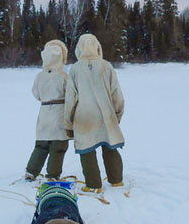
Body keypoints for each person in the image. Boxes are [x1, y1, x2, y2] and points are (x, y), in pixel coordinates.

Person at [64, 33, 125, 192]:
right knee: (110, 145)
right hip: (106, 115)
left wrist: (68, 121)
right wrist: (117, 115)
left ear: (79, 48)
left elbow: (71, 97)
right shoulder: (106, 66)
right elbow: (116, 93)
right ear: (97, 46)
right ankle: (116, 180)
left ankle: (93, 185)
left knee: (87, 150)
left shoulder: (75, 69)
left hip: (84, 117)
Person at [24, 40, 71, 181]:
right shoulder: (63, 76)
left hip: (44, 112)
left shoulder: (40, 76)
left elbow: (36, 94)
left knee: (41, 145)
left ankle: (31, 172)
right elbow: (71, 94)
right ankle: (53, 175)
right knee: (58, 146)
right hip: (60, 112)